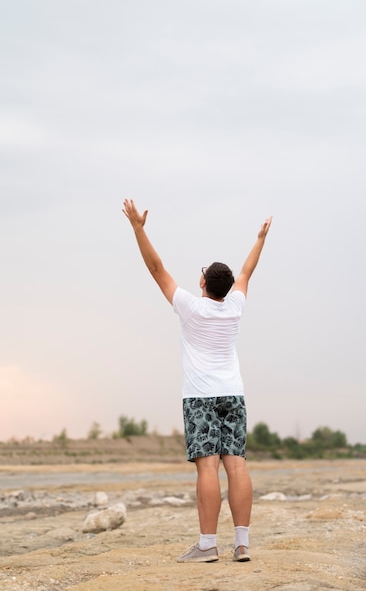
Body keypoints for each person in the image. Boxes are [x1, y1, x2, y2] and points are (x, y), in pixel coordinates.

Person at [122, 199, 272, 563]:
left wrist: (138, 228)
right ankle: (241, 544)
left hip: (200, 397)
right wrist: (260, 240)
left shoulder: (190, 306)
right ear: (227, 286)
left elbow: (157, 269)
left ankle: (207, 546)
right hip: (233, 394)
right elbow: (247, 273)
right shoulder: (235, 306)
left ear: (203, 282)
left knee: (208, 466)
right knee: (236, 464)